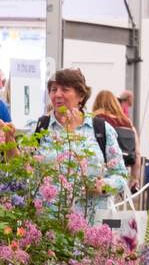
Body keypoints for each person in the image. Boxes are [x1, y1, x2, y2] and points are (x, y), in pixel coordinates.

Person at [33, 68, 129, 224]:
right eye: (53, 89)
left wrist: (104, 185)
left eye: (64, 89)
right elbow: (26, 172)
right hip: (49, 225)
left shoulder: (101, 129)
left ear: (81, 96)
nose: (57, 94)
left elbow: (121, 176)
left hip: (93, 225)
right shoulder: (40, 127)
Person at [91, 90, 139, 188]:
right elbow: (137, 153)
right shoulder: (126, 122)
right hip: (122, 174)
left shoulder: (96, 120)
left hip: (101, 177)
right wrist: (135, 178)